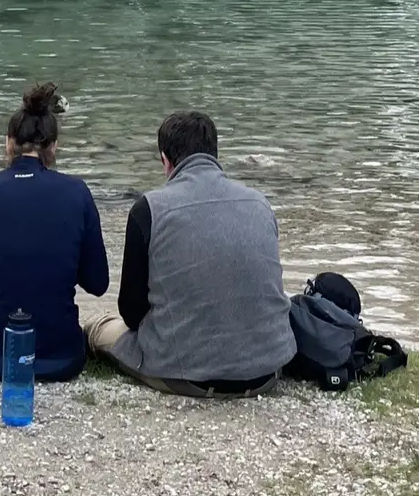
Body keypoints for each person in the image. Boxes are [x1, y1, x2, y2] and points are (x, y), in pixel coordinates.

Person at [85, 110, 295, 397]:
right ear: (215, 154)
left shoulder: (149, 208)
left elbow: (131, 314)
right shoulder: (260, 203)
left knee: (99, 326)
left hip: (186, 374)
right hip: (267, 370)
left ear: (165, 161)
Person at [0, 81, 109, 382]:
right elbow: (98, 283)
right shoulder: (78, 193)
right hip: (63, 360)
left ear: (9, 143)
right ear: (53, 146)